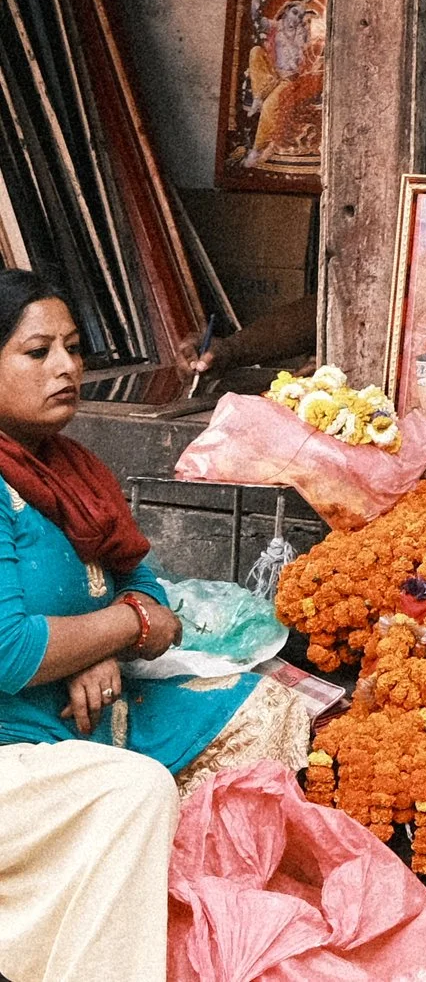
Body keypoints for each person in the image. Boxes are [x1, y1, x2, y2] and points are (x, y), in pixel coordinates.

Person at [0, 269, 310, 981]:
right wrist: (120, 626)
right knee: (134, 791)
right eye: (37, 352)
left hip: (85, 702)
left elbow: (140, 583)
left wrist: (106, 640)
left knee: (267, 713)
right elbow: (12, 651)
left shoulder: (72, 470)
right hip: (15, 731)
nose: (67, 368)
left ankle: (205, 944)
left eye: (74, 348)